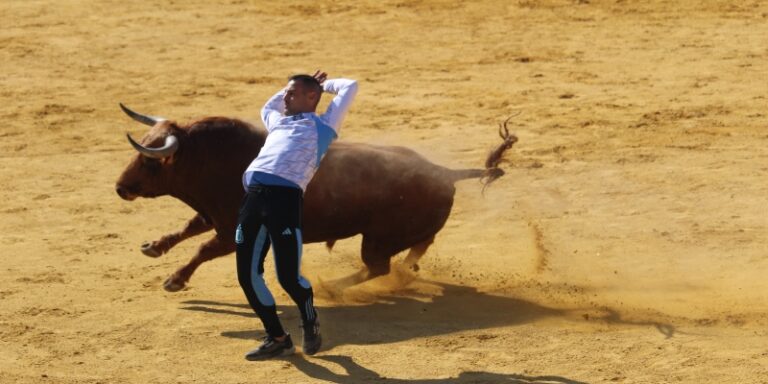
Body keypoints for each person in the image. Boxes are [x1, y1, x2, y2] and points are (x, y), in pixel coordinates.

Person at [235, 71, 358, 360]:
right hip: (253, 198)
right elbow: (267, 107)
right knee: (247, 276)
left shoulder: (325, 125)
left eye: (292, 93)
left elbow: (350, 86)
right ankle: (278, 338)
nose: (285, 96)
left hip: (284, 201)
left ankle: (309, 319)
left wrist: (321, 85)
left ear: (312, 97)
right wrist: (295, 87)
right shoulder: (278, 122)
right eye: (286, 92)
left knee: (288, 278)